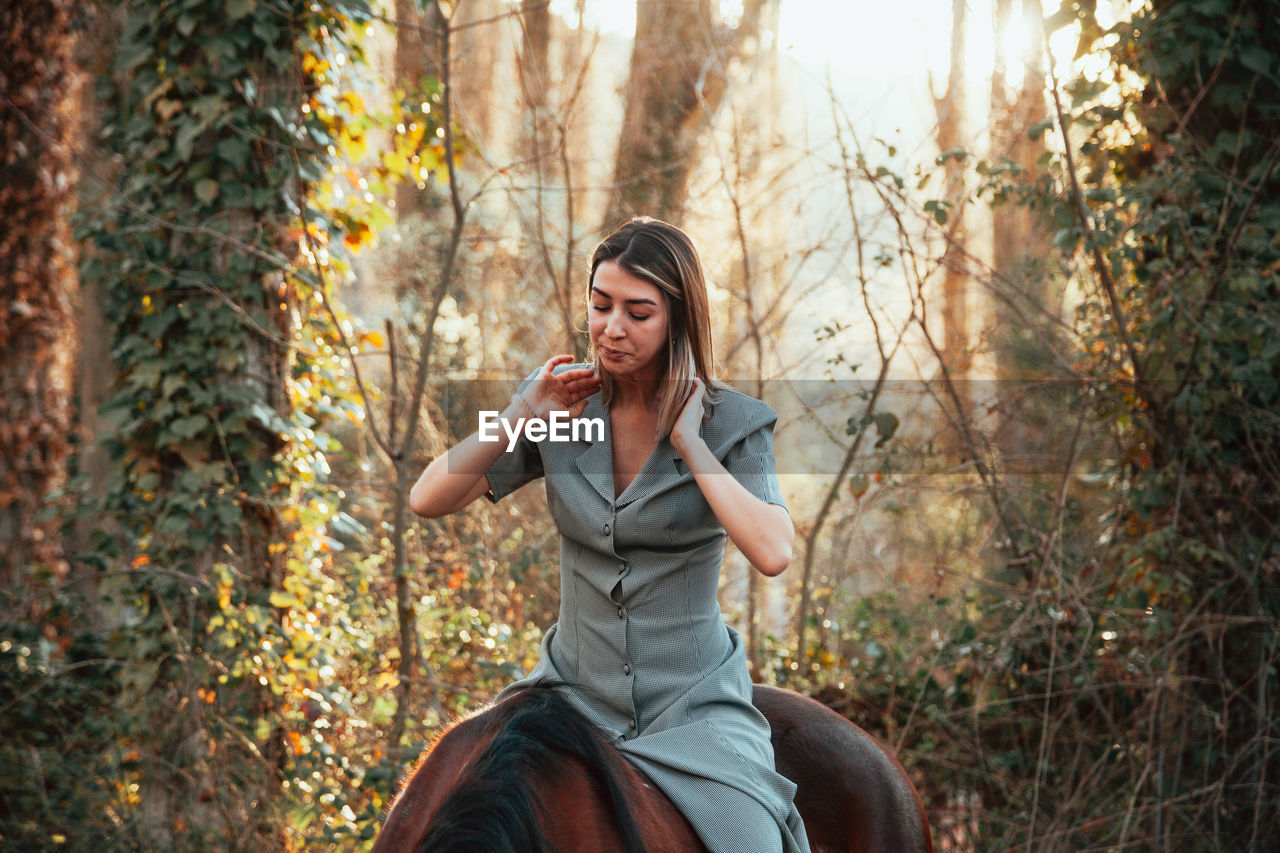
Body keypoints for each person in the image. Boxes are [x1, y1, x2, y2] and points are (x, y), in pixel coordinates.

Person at [408, 217, 811, 853]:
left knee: (749, 841)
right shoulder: (567, 409)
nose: (611, 328)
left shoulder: (735, 422)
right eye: (600, 306)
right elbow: (428, 496)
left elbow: (773, 551)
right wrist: (517, 416)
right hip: (567, 699)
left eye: (637, 312)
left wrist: (689, 442)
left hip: (694, 707)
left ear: (678, 318)